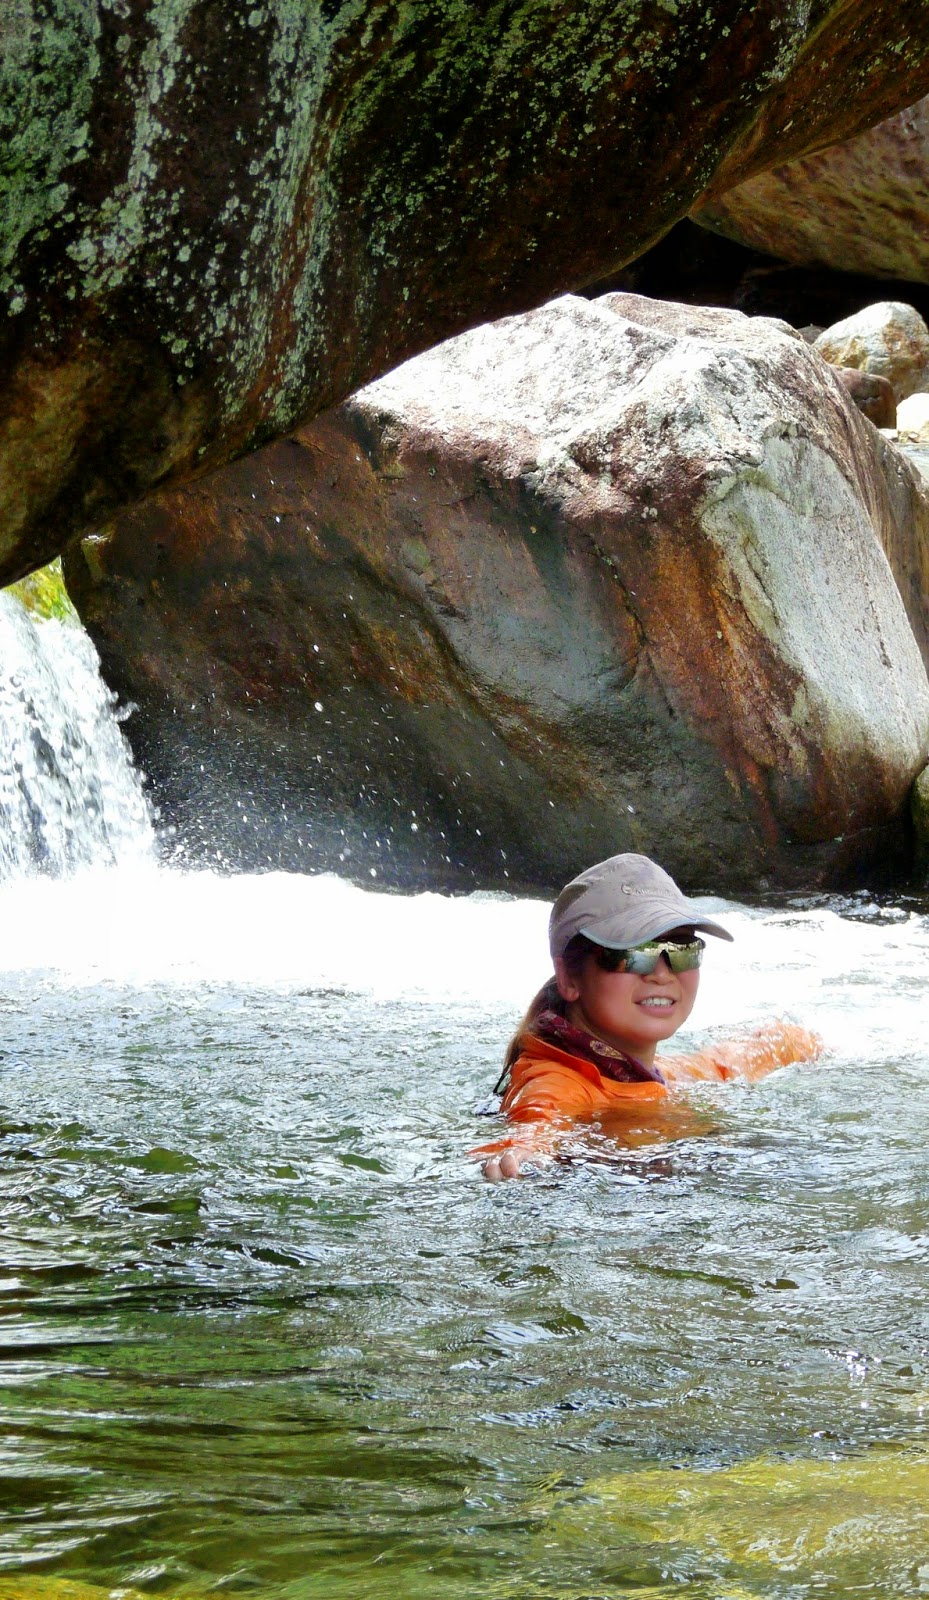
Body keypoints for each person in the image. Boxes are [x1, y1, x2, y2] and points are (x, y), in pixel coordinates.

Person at [476, 852, 821, 1180]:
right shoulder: (557, 1084)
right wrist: (525, 1150)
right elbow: (539, 1120)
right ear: (568, 978)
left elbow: (728, 1063)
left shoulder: (654, 1074)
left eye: (682, 950)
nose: (662, 973)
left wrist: (796, 1041)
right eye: (635, 953)